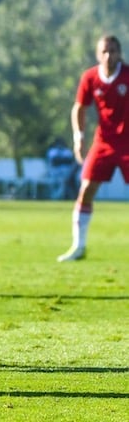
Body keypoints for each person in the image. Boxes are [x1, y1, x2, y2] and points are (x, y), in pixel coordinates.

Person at [59, 34, 129, 262]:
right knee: (86, 188)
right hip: (104, 142)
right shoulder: (90, 77)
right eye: (105, 51)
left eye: (113, 51)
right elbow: (79, 108)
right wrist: (79, 137)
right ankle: (78, 246)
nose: (109, 56)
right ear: (98, 54)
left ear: (120, 54)